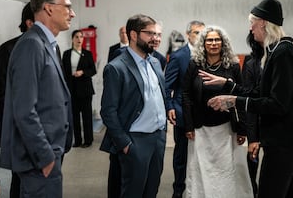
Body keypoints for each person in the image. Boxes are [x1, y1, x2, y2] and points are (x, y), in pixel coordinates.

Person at [208, 0, 293, 198]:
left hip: (284, 143)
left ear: (263, 22)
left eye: (252, 23)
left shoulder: (283, 52)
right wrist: (228, 85)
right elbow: (261, 93)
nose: (250, 28)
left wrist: (233, 101)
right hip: (286, 141)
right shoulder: (276, 51)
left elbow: (277, 104)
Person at [0, 0, 75, 198]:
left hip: (51, 152)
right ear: (49, 9)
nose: (72, 12)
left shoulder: (46, 45)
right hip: (39, 159)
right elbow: (24, 110)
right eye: (67, 6)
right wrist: (45, 157)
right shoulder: (31, 45)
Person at [100, 14, 167, 198]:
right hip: (135, 141)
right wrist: (125, 143)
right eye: (150, 33)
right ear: (133, 35)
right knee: (132, 193)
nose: (156, 39)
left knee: (151, 191)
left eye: (158, 34)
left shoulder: (155, 62)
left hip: (158, 139)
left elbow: (159, 95)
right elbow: (108, 111)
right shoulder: (116, 67)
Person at [182, 25, 252, 198]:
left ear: (223, 43)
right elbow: (186, 94)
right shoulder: (194, 65)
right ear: (203, 44)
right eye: (209, 40)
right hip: (200, 129)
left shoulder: (233, 66)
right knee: (201, 170)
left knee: (227, 171)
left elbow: (240, 94)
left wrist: (242, 128)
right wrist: (189, 125)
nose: (214, 43)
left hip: (227, 129)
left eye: (217, 39)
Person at [0, 2, 34, 198]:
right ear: (30, 23)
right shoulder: (8, 49)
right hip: (20, 133)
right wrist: (16, 124)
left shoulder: (52, 48)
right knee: (21, 182)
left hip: (44, 135)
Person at [164, 20, 205, 198]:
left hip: (204, 114)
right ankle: (178, 189)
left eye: (202, 33)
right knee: (181, 155)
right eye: (196, 33)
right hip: (182, 113)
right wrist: (170, 106)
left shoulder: (209, 54)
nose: (200, 36)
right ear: (188, 34)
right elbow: (167, 86)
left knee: (202, 155)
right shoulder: (179, 56)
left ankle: (198, 188)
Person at [62, 29, 97, 148]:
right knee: (74, 117)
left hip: (85, 90)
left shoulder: (87, 54)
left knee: (87, 116)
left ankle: (88, 140)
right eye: (76, 37)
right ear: (72, 39)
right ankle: (77, 140)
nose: (79, 39)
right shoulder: (66, 54)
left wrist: (83, 72)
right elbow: (63, 71)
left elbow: (93, 70)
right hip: (72, 90)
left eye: (81, 37)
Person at [241, 31, 263, 197]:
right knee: (253, 156)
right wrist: (252, 137)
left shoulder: (281, 57)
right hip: (256, 116)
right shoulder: (251, 63)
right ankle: (252, 188)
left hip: (278, 123)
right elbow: (247, 97)